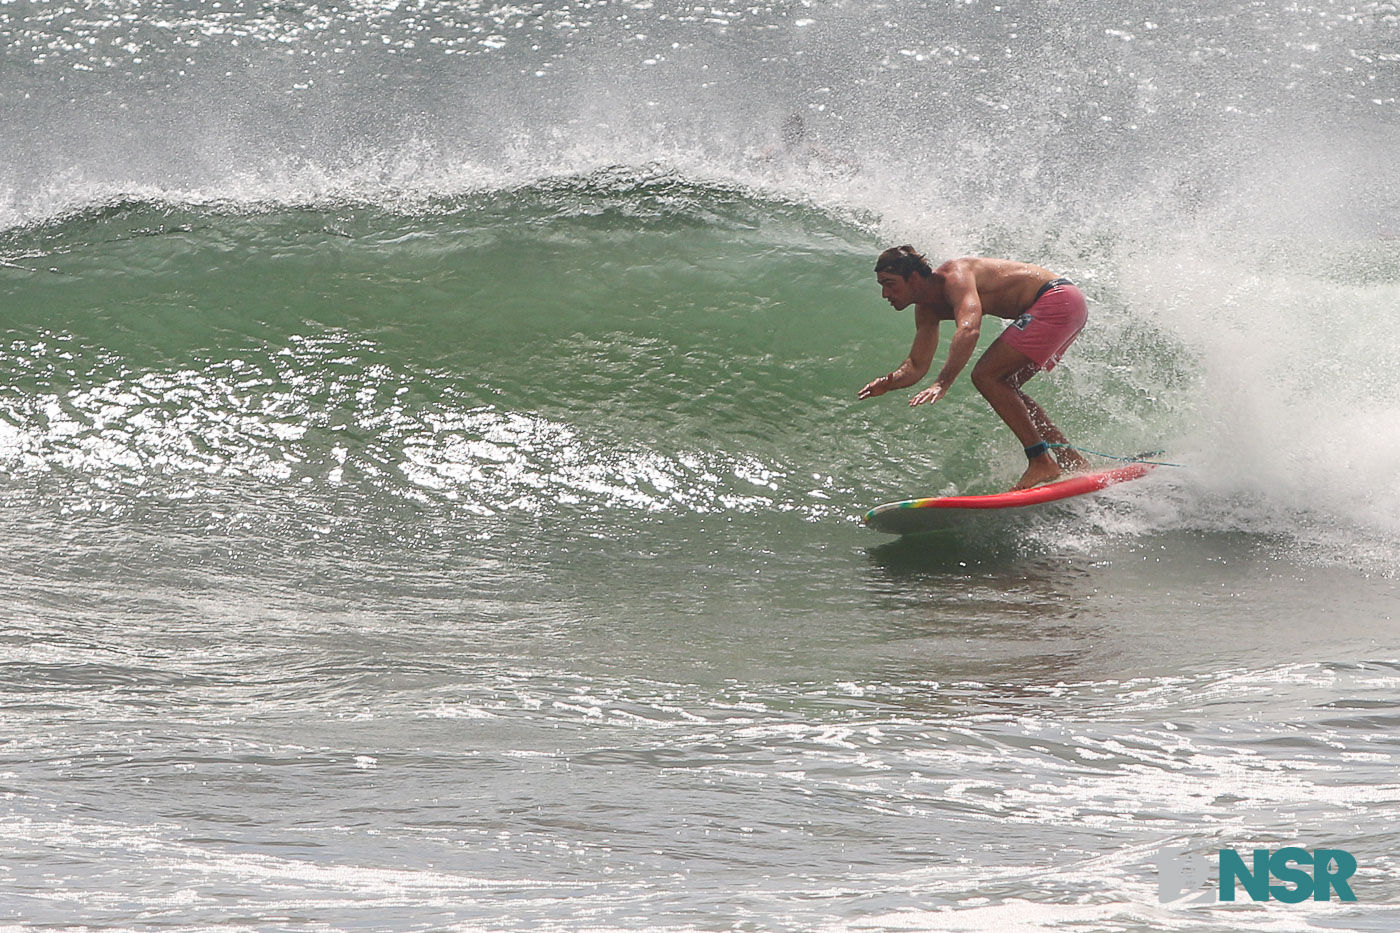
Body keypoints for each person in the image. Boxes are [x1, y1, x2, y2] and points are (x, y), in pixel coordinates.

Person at [858, 245, 1091, 490]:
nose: (885, 293)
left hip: (1057, 299)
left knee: (986, 376)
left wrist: (943, 382)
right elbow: (916, 365)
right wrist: (888, 381)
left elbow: (969, 329)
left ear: (914, 278)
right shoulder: (926, 310)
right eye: (882, 285)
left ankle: (1040, 460)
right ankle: (1070, 459)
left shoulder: (955, 276)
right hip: (1066, 305)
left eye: (890, 283)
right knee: (1005, 387)